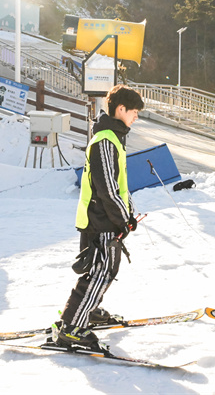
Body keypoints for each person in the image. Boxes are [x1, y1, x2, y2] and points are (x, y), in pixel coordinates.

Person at [52, 85, 144, 349]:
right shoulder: (105, 140)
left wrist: (129, 214)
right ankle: (72, 328)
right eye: (134, 112)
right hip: (101, 220)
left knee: (101, 270)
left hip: (105, 218)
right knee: (101, 272)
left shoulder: (114, 138)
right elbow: (107, 188)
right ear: (121, 109)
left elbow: (121, 185)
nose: (136, 117)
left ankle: (86, 311)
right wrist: (122, 218)